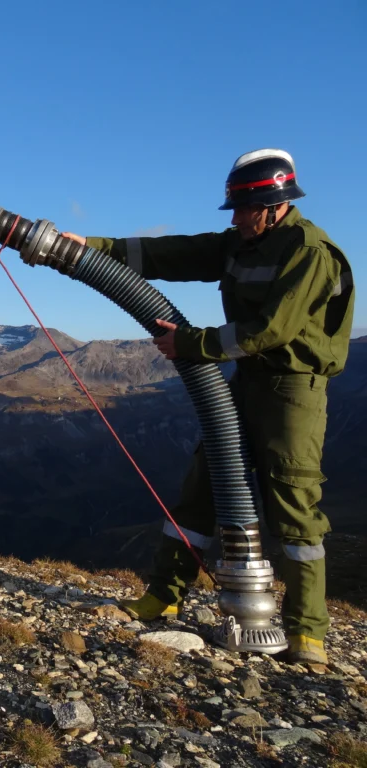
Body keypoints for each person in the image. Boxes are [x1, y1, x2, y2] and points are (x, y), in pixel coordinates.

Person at [61, 149, 354, 663]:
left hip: (293, 389)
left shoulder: (310, 251)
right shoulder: (241, 243)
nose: (235, 219)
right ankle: (164, 595)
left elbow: (272, 330)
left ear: (275, 204)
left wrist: (194, 344)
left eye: (244, 209)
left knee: (292, 501)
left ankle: (307, 632)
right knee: (204, 484)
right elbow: (169, 254)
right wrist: (91, 248)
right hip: (247, 380)